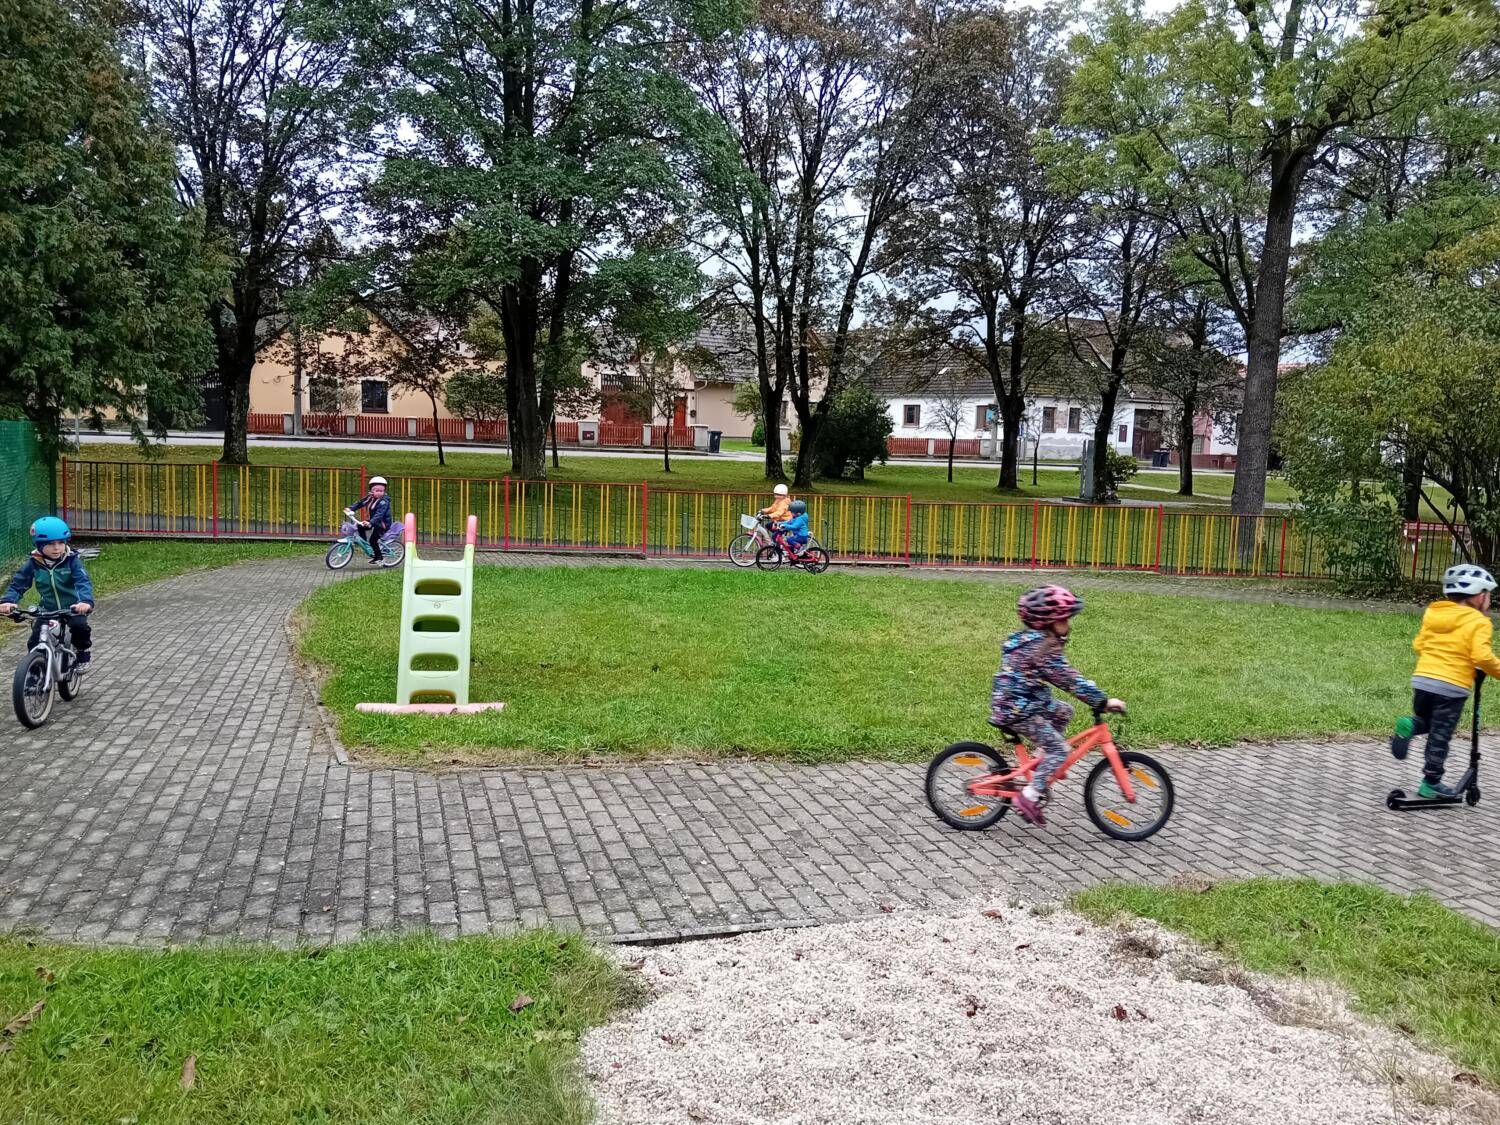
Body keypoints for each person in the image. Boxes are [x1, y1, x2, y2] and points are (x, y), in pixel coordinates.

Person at [989, 585, 1125, 826]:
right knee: (1060, 750)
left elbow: (1066, 674)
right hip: (1017, 709)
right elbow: (1068, 680)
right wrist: (1102, 701)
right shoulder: (1041, 649)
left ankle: (1041, 759)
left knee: (1064, 711)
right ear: (1048, 622)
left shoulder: (1035, 641)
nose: (1068, 625)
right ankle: (1028, 797)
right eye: (1064, 619)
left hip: (1023, 702)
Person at [1390, 563, 1500, 797]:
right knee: (1440, 735)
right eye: (1488, 594)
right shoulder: (1480, 622)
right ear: (1478, 595)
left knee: (1429, 721)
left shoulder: (1434, 613)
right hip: (1451, 686)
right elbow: (1481, 656)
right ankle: (1431, 782)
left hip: (1422, 679)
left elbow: (1419, 644)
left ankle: (1410, 725)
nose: (1489, 599)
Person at [0, 517, 95, 670]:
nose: (56, 548)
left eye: (61, 543)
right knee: (35, 641)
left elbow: (82, 582)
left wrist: (85, 601)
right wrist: (8, 601)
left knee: (80, 627)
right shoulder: (33, 563)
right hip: (47, 609)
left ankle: (83, 653)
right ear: (38, 545)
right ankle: (34, 672)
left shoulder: (72, 561)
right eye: (50, 544)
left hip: (73, 607)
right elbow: (18, 584)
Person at [347, 476, 393, 565]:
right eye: (377, 491)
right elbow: (360, 503)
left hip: (382, 524)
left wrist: (370, 522)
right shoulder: (370, 497)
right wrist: (350, 509)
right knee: (360, 526)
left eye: (381, 491)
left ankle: (379, 558)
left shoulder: (384, 502)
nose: (379, 493)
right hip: (373, 521)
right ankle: (366, 545)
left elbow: (379, 514)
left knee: (373, 540)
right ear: (372, 490)